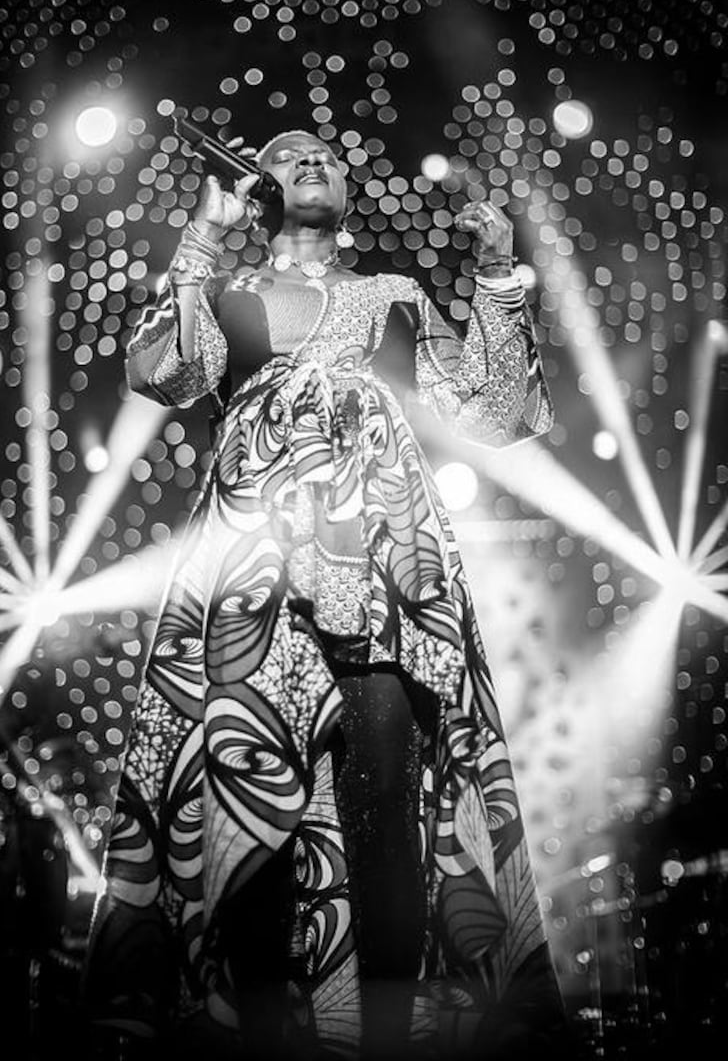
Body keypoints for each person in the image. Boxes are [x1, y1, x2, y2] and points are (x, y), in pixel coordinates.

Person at [83, 129, 567, 1060]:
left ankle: (384, 1040)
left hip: (383, 560)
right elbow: (163, 374)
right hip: (254, 565)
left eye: (328, 155)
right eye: (288, 153)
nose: (313, 159)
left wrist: (501, 272)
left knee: (384, 795)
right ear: (256, 186)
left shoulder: (395, 297)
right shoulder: (225, 295)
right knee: (246, 802)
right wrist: (202, 239)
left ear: (346, 191)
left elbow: (495, 411)